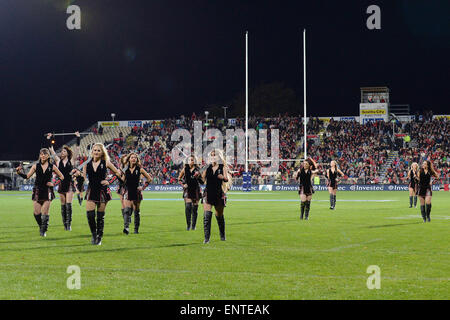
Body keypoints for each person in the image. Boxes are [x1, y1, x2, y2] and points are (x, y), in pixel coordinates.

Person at [15, 148, 64, 237]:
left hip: (48, 191)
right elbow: (27, 176)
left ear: (48, 156)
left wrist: (54, 183)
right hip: (37, 190)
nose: (43, 156)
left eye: (45, 154)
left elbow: (62, 176)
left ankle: (43, 231)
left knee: (45, 212)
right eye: (41, 154)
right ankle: (42, 226)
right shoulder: (35, 166)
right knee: (37, 213)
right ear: (39, 155)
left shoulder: (52, 166)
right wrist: (19, 172)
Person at [82, 143, 123, 245]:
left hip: (102, 191)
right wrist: (77, 177)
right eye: (94, 150)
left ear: (102, 152)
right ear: (92, 152)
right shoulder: (86, 164)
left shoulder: (106, 162)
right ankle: (93, 234)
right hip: (91, 190)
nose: (96, 152)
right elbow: (82, 179)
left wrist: (109, 181)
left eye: (98, 150)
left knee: (100, 217)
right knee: (90, 215)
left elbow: (118, 173)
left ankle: (99, 237)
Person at [47, 132, 81, 230]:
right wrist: (49, 138)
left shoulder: (71, 161)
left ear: (67, 153)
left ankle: (69, 224)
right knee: (63, 205)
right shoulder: (58, 161)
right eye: (62, 151)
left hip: (69, 183)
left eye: (64, 151)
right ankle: (64, 224)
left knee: (68, 205)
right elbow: (51, 150)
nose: (62, 153)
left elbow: (77, 149)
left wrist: (78, 137)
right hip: (62, 184)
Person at [201, 150, 232, 243]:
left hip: (218, 193)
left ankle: (222, 235)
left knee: (219, 215)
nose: (213, 157)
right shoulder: (207, 168)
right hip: (208, 193)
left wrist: (223, 177)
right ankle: (206, 238)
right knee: (207, 215)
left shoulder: (223, 167)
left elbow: (226, 179)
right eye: (212, 155)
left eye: (215, 155)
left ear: (218, 157)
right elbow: (202, 181)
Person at [121, 152, 152, 234]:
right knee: (127, 210)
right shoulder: (125, 170)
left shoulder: (140, 169)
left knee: (136, 211)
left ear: (137, 159)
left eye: (135, 157)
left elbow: (149, 179)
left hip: (136, 192)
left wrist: (143, 187)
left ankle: (136, 229)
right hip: (128, 191)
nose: (133, 158)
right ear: (129, 159)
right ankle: (126, 228)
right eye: (132, 157)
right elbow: (122, 181)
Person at [178, 155, 203, 231]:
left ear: (194, 161)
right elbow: (179, 179)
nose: (191, 161)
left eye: (192, 160)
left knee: (195, 209)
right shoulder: (185, 169)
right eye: (189, 160)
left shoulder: (198, 169)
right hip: (188, 189)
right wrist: (183, 184)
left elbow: (202, 182)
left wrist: (198, 176)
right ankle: (188, 225)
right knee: (188, 206)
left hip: (196, 189)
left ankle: (193, 226)